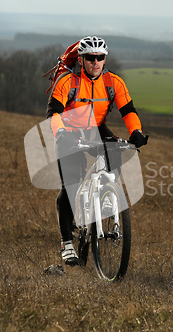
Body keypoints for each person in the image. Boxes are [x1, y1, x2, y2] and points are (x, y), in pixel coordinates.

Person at [46, 36, 148, 265]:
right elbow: (54, 113)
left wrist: (136, 132)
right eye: (91, 58)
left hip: (95, 128)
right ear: (81, 60)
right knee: (70, 187)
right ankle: (67, 242)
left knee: (116, 150)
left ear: (104, 59)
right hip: (68, 131)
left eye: (100, 57)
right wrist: (61, 133)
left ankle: (106, 192)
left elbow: (128, 110)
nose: (96, 62)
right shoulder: (67, 82)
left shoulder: (114, 82)